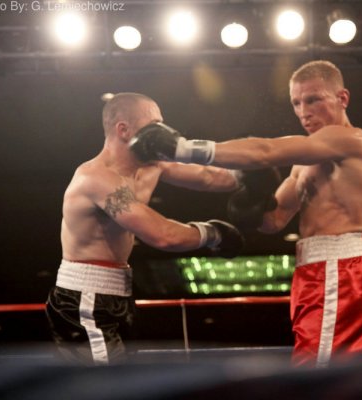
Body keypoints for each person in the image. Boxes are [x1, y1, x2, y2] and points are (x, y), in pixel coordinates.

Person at [129, 60, 362, 367]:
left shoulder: (350, 139)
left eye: (313, 100)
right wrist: (253, 204)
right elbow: (275, 220)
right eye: (296, 103)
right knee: (360, 374)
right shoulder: (305, 162)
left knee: (318, 374)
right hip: (321, 270)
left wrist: (183, 148)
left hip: (339, 269)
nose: (304, 112)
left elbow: (265, 151)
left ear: (342, 98)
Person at [46, 92, 244, 366]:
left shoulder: (152, 165)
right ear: (123, 130)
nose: (163, 132)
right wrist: (213, 234)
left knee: (126, 381)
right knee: (106, 386)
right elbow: (163, 235)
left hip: (119, 292)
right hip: (84, 298)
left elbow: (209, 177)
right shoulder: (95, 178)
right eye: (154, 124)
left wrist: (250, 174)